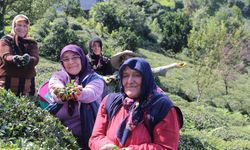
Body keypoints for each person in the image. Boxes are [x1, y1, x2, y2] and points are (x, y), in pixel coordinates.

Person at [89, 57, 183, 150]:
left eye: (136, 75)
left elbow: (166, 147)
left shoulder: (161, 107)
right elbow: (96, 137)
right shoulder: (110, 101)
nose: (130, 81)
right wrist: (104, 145)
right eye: (125, 75)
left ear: (146, 78)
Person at [47, 44, 106, 149]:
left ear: (82, 58)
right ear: (62, 63)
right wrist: (62, 93)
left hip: (87, 133)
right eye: (66, 59)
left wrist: (80, 93)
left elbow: (91, 93)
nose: (70, 62)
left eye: (75, 57)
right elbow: (55, 87)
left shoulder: (95, 79)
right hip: (59, 133)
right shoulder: (59, 76)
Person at [0, 14, 39, 96]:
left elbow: (35, 58)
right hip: (7, 86)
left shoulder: (32, 43)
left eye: (25, 26)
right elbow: (6, 56)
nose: (22, 28)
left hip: (27, 89)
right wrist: (15, 58)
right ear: (14, 26)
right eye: (19, 25)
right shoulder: (6, 40)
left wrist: (28, 60)